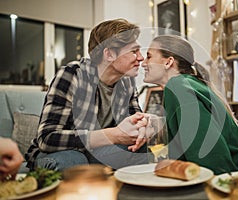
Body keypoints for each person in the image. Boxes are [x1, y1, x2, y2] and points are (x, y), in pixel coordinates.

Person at [25, 18, 149, 171]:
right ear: (109, 54)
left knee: (141, 149)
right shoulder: (73, 74)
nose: (141, 58)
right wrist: (112, 135)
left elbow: (135, 121)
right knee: (74, 161)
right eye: (134, 51)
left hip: (98, 152)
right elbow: (47, 138)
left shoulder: (127, 82)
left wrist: (142, 128)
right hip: (61, 153)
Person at [141, 35, 238, 175]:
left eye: (149, 56)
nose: (143, 63)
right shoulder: (187, 84)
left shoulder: (177, 86)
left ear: (168, 62)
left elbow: (210, 157)